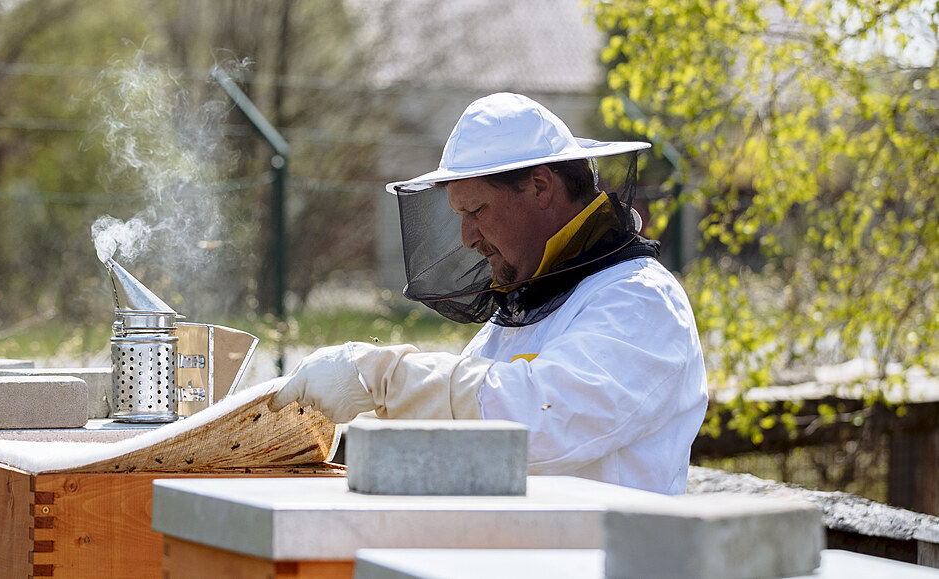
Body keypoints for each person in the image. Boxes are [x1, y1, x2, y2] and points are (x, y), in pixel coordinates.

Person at [263, 92, 708, 495]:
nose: (467, 237)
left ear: (540, 187)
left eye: (476, 210)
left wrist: (387, 377)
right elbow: (466, 425)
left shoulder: (641, 300)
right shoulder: (519, 312)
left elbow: (543, 421)